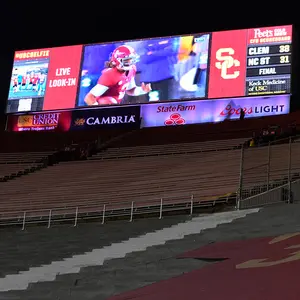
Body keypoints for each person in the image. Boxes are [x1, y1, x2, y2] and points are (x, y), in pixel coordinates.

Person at [84, 45, 152, 106]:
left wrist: (142, 90)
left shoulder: (132, 69)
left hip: (115, 105)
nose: (131, 63)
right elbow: (89, 98)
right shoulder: (110, 75)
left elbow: (130, 90)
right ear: (118, 61)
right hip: (104, 104)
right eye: (127, 60)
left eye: (132, 60)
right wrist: (99, 112)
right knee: (109, 101)